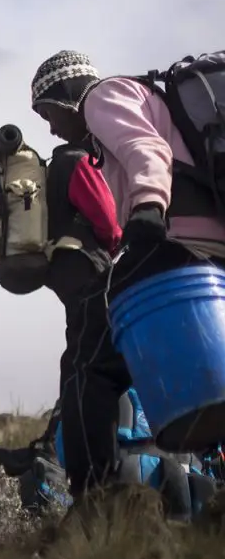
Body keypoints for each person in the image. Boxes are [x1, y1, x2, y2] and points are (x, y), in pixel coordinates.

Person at [30, 50, 223, 496]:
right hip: (209, 250)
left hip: (178, 241)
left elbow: (146, 148)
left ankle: (95, 498)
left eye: (49, 112)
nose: (52, 128)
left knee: (87, 354)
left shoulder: (102, 97)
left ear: (67, 94)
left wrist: (149, 206)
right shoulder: (130, 115)